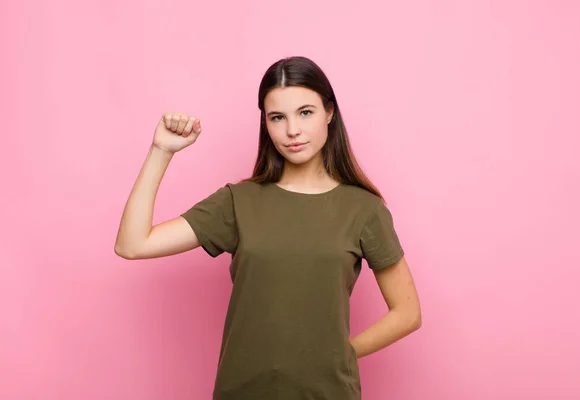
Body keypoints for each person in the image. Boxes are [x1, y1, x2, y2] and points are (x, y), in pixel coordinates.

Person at [115, 56, 422, 400]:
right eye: (278, 117)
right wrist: (161, 150)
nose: (292, 130)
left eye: (305, 112)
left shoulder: (363, 209)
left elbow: (408, 311)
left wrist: (342, 351)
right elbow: (132, 244)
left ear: (329, 113)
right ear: (266, 123)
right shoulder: (238, 202)